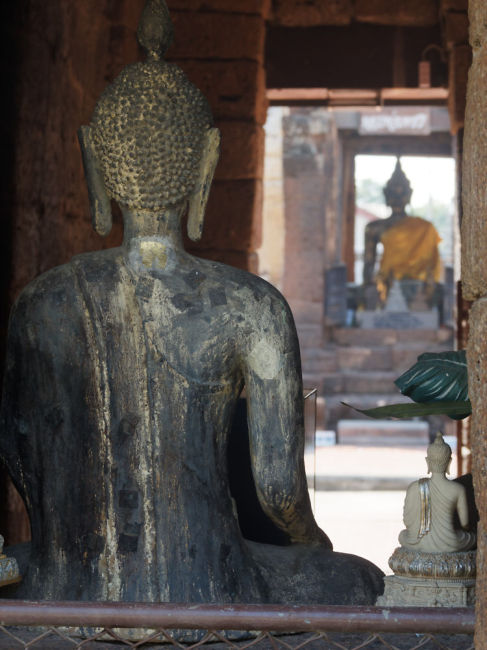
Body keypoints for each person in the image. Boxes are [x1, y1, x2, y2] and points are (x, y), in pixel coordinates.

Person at [0, 0, 383, 608]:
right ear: (207, 162)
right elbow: (280, 489)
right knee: (360, 581)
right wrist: (310, 543)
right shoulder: (251, 305)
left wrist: (73, 537)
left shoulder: (39, 303)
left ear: (92, 159)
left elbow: (20, 457)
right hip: (214, 584)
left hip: (67, 583)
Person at [399, 433, 476, 553]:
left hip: (417, 542)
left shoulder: (414, 487)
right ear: (449, 462)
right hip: (451, 542)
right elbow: (465, 523)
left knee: (402, 535)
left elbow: (407, 521)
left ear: (428, 462)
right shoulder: (458, 489)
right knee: (472, 538)